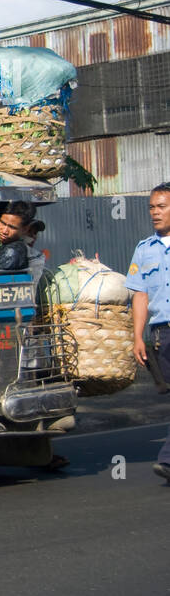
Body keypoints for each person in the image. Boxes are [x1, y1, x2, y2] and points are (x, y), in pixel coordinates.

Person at [126, 183, 170, 481]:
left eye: (161, 206)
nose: (155, 213)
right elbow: (139, 295)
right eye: (152, 207)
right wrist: (137, 336)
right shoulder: (144, 249)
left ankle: (167, 459)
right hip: (161, 335)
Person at [0, 200, 36, 273]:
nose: (5, 231)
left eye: (12, 227)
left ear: (25, 229)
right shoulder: (1, 245)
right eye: (2, 223)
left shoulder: (13, 251)